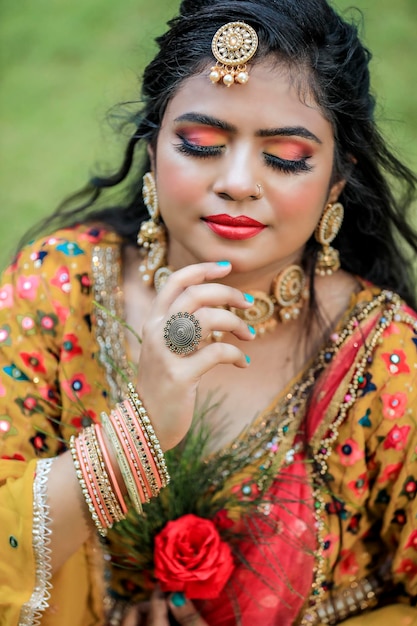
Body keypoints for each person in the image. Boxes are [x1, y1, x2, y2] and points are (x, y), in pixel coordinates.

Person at [1, 0, 417, 624]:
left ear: (337, 181)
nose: (238, 181)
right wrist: (137, 435)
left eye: (285, 155)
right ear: (153, 149)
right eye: (201, 143)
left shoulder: (385, 359)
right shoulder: (59, 288)